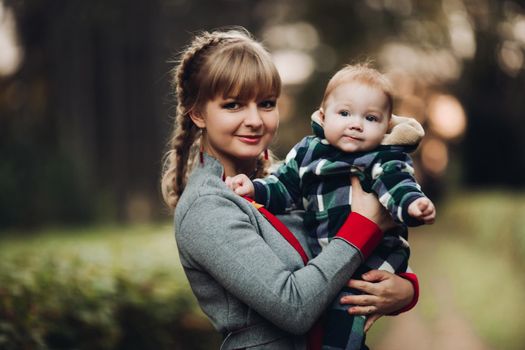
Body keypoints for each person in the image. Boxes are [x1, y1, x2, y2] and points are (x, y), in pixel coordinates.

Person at [161, 28, 419, 350]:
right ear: (198, 113)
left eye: (266, 103)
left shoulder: (286, 185)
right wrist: (365, 224)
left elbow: (331, 263)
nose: (255, 119)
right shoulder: (206, 207)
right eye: (233, 105)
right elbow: (294, 307)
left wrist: (404, 290)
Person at [227, 63, 435, 349]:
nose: (356, 124)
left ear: (387, 126)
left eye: (371, 118)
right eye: (345, 113)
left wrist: (413, 205)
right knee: (326, 312)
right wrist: (254, 189)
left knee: (348, 308)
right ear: (323, 117)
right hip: (330, 255)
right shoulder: (307, 153)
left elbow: (397, 185)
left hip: (375, 255)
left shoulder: (381, 158)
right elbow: (284, 187)